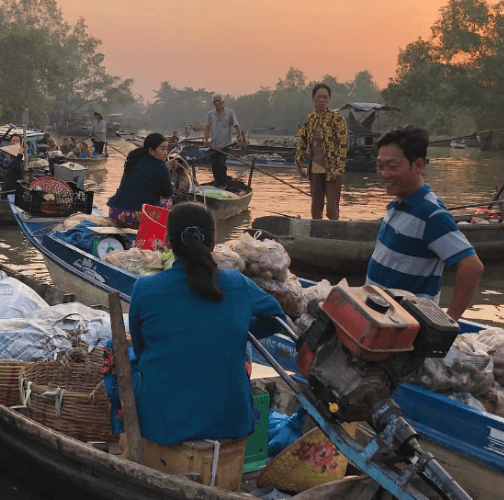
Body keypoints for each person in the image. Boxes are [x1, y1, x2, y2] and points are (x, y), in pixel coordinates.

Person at [127, 202, 286, 448]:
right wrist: (236, 329)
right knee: (240, 347)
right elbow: (277, 320)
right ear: (213, 245)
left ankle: (127, 447)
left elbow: (140, 348)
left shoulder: (145, 288)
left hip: (165, 424)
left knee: (118, 359)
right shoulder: (236, 282)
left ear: (167, 242)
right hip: (231, 421)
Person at [366, 125, 484, 321]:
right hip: (380, 319)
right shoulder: (398, 204)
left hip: (404, 326)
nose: (384, 174)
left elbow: (472, 266)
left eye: (392, 167)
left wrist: (448, 322)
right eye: (380, 166)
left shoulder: (431, 213)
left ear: (418, 165)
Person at [294, 83, 349, 220]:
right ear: (313, 98)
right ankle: (316, 232)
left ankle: (333, 234)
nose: (322, 100)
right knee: (316, 208)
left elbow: (343, 144)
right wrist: (299, 163)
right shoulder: (310, 119)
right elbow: (303, 142)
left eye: (325, 97)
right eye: (319, 97)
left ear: (329, 100)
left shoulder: (336, 118)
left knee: (332, 209)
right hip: (315, 169)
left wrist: (339, 168)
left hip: (332, 170)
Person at [107, 133, 174, 228]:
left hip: (115, 213)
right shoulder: (160, 166)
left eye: (166, 149)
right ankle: (157, 230)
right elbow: (168, 192)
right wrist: (169, 179)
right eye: (162, 149)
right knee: (167, 201)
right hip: (135, 217)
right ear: (151, 150)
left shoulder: (134, 159)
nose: (166, 153)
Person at [203, 93, 245, 188]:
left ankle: (223, 183)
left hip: (225, 145)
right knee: (214, 166)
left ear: (222, 102)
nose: (217, 103)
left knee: (221, 164)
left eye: (218, 101)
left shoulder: (229, 113)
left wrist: (240, 136)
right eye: (215, 101)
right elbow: (207, 128)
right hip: (213, 145)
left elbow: (236, 125)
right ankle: (217, 183)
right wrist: (206, 140)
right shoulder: (210, 114)